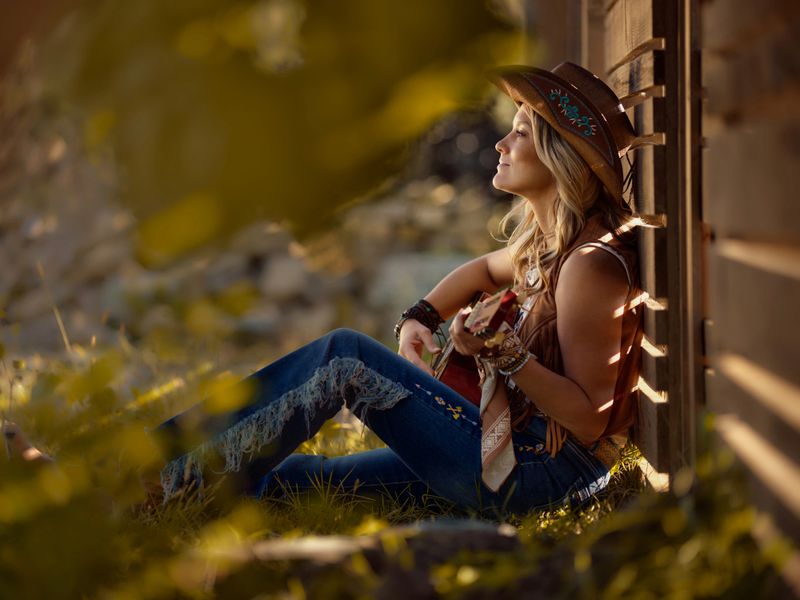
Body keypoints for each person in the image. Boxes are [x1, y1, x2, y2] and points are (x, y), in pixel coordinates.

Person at [4, 62, 644, 518]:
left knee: (344, 357)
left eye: (522, 134)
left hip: (534, 475)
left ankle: (135, 492)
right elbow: (481, 270)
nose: (501, 143)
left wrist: (503, 352)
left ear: (559, 155)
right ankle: (113, 491)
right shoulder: (547, 249)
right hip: (495, 453)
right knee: (295, 484)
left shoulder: (589, 266)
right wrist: (422, 314)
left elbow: (588, 416)